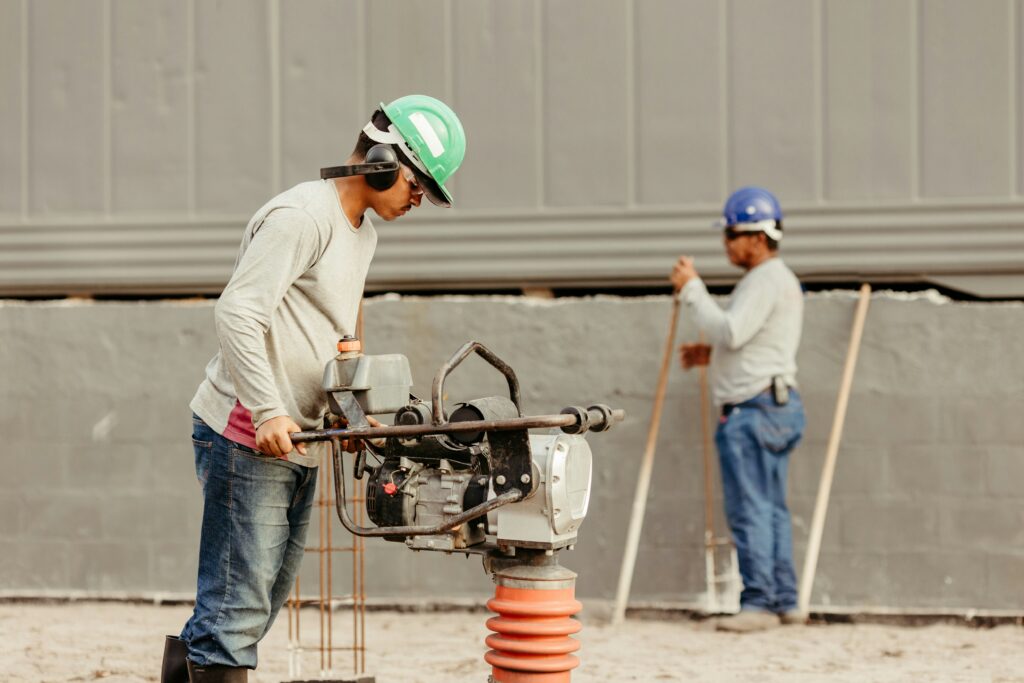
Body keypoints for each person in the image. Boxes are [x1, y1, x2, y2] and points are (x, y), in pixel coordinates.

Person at [161, 95, 466, 682]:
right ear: (382, 161)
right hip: (250, 434)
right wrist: (269, 409)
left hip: (299, 436)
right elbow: (237, 315)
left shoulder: (363, 237)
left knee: (263, 596)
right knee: (240, 606)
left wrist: (350, 415)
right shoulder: (301, 217)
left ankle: (189, 668)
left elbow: (338, 343)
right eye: (418, 182)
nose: (419, 198)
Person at [669, 186, 806, 633]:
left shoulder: (765, 279)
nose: (726, 243)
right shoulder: (779, 279)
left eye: (732, 233)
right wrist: (709, 358)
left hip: (752, 412)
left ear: (758, 236)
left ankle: (760, 603)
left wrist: (692, 290)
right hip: (774, 404)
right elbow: (755, 344)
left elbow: (731, 332)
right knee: (771, 508)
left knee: (750, 509)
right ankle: (785, 600)